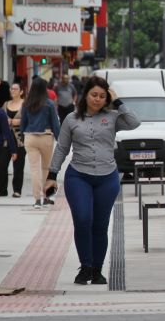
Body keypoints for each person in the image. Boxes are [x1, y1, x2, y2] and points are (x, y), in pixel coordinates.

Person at [45, 76, 141, 285]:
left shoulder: (113, 117)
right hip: (78, 176)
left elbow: (135, 123)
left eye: (102, 96)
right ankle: (85, 267)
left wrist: (118, 101)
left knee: (100, 225)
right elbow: (62, 148)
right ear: (84, 95)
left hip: (107, 179)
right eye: (94, 95)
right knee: (82, 219)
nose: (98, 99)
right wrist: (51, 175)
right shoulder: (71, 119)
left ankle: (97, 269)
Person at [21, 77, 60, 209]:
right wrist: (60, 139)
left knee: (34, 169)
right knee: (46, 168)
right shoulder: (49, 103)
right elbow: (55, 123)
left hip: (30, 138)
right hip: (46, 137)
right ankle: (46, 197)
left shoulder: (26, 103)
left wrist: (22, 137)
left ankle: (37, 200)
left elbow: (23, 123)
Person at [0, 82, 27, 198]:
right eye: (12, 89)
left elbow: (30, 120)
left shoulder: (25, 105)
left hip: (20, 139)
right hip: (6, 138)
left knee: (18, 166)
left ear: (21, 92)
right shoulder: (5, 104)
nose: (13, 91)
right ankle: (2, 189)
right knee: (2, 164)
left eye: (15, 89)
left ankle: (17, 190)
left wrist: (19, 122)